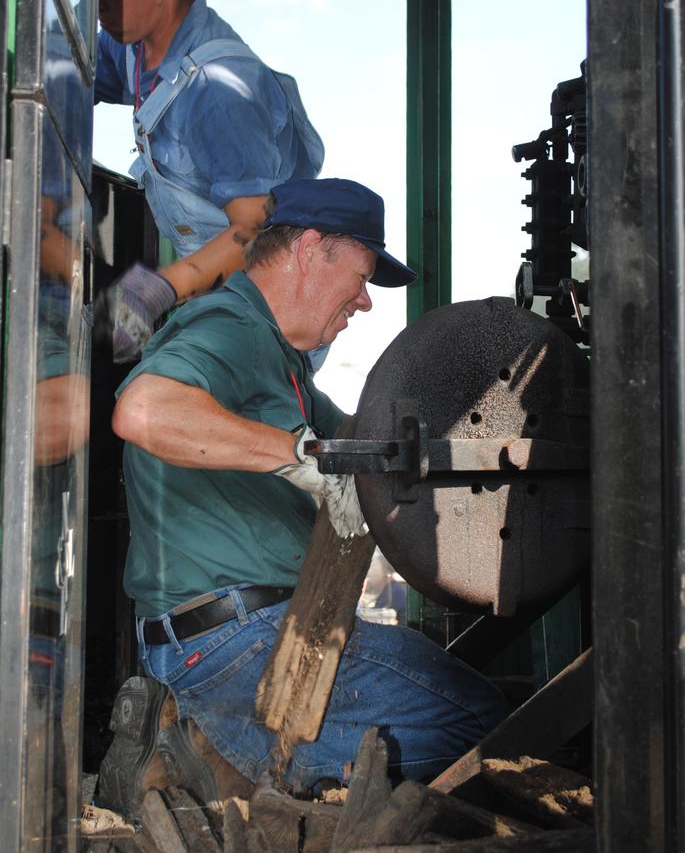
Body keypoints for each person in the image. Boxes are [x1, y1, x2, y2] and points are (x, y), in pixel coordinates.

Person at [100, 178, 507, 814]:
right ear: (310, 248)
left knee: (474, 717)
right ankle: (224, 752)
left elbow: (361, 443)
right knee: (484, 726)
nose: (365, 302)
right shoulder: (229, 325)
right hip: (234, 637)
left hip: (248, 629)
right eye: (362, 276)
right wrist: (298, 457)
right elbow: (144, 411)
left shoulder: (280, 360)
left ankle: (219, 755)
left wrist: (462, 438)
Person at [94, 0, 324, 362]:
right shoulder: (134, 45)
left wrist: (156, 290)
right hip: (217, 290)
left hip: (271, 308)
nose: (98, 4)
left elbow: (255, 230)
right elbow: (66, 69)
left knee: (154, 398)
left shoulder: (219, 91)